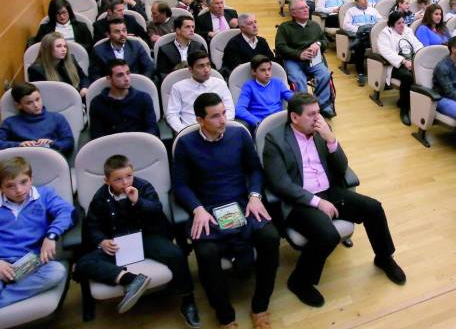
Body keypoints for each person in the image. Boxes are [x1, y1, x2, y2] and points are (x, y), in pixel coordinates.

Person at [262, 93, 405, 307]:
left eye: (319, 112)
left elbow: (341, 167)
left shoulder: (322, 130)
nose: (317, 118)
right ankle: (299, 282)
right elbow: (280, 184)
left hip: (329, 191)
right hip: (299, 202)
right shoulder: (275, 139)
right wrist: (316, 202)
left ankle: (383, 257)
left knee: (373, 208)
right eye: (311, 114)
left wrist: (331, 140)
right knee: (327, 235)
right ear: (294, 118)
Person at [173, 93, 279, 329]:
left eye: (223, 113)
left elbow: (255, 170)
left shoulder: (239, 133)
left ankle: (260, 306)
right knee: (207, 253)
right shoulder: (186, 144)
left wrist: (254, 195)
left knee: (270, 238)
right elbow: (180, 184)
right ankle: (225, 317)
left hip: (241, 202)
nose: (223, 120)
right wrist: (197, 208)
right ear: (200, 120)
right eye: (215, 116)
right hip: (208, 208)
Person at [75, 155, 199, 323]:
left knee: (176, 254)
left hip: (145, 237)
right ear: (107, 181)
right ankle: (131, 279)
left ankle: (187, 301)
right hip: (118, 242)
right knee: (83, 263)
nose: (125, 182)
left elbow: (156, 209)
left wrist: (138, 202)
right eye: (118, 179)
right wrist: (102, 241)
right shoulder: (100, 197)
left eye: (129, 176)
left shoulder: (143, 186)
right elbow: (93, 225)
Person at [0, 157, 74, 309]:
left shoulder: (44, 195)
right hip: (2, 263)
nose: (19, 190)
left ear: (31, 179)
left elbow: (68, 212)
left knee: (56, 271)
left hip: (29, 263)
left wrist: (51, 235)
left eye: (23, 182)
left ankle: (4, 298)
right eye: (10, 186)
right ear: (0, 187)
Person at [275, 0, 335, 118]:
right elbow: (280, 47)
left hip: (313, 60)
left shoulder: (314, 25)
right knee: (298, 79)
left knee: (324, 75)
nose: (306, 9)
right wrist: (299, 54)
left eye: (306, 7)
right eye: (302, 8)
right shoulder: (285, 27)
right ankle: (303, 108)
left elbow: (325, 41)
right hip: (293, 60)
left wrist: (318, 44)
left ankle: (322, 106)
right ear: (293, 13)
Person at [165, 51, 234, 133]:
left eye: (208, 64)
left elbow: (229, 109)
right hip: (190, 131)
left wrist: (222, 124)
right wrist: (183, 131)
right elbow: (172, 114)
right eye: (201, 66)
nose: (207, 70)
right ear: (190, 69)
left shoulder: (220, 84)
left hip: (218, 129)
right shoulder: (179, 87)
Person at [89, 59, 158, 139]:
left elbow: (152, 128)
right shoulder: (97, 103)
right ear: (109, 78)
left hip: (140, 144)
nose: (126, 79)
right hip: (111, 147)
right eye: (120, 75)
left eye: (128, 73)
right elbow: (97, 135)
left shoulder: (143, 98)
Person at [376, 11, 423, 125]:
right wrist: (403, 61)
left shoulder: (407, 30)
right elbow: (386, 52)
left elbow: (418, 45)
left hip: (412, 61)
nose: (402, 25)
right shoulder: (386, 33)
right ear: (392, 24)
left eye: (403, 22)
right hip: (395, 65)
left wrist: (419, 58)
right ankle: (404, 110)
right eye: (399, 23)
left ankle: (416, 105)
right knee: (408, 77)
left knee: (424, 74)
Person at [0, 83, 74, 155]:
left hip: (50, 159)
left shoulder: (57, 118)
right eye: (29, 103)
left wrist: (52, 143)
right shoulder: (9, 123)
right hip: (22, 160)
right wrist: (19, 145)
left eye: (37, 99)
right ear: (19, 105)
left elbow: (69, 143)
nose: (36, 105)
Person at [235, 55, 293, 131]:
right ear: (253, 72)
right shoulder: (249, 86)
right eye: (263, 70)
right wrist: (257, 122)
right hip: (260, 125)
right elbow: (239, 109)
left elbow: (292, 98)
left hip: (280, 122)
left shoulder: (278, 83)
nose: (267, 73)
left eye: (269, 69)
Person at [28, 33, 89, 97]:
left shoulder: (71, 59)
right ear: (48, 49)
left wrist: (84, 87)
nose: (64, 49)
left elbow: (83, 77)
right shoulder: (36, 70)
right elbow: (43, 95)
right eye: (58, 46)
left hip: (79, 97)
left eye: (65, 46)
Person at [90, 19, 155, 79]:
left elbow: (149, 67)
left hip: (136, 84)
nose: (122, 34)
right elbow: (95, 74)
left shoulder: (136, 45)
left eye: (124, 30)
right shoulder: (98, 50)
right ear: (108, 35)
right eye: (117, 32)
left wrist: (142, 81)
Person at [343, 0, 383, 86]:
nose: (365, 0)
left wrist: (372, 28)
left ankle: (382, 72)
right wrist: (359, 29)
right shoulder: (351, 11)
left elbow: (380, 22)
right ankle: (360, 72)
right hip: (359, 35)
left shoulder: (373, 10)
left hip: (372, 36)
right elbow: (346, 26)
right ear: (356, 1)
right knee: (360, 45)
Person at [221, 13, 274, 79]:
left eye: (255, 22)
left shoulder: (262, 41)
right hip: (240, 79)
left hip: (263, 77)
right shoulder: (233, 44)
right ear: (242, 28)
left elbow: (271, 61)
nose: (255, 26)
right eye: (250, 23)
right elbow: (238, 68)